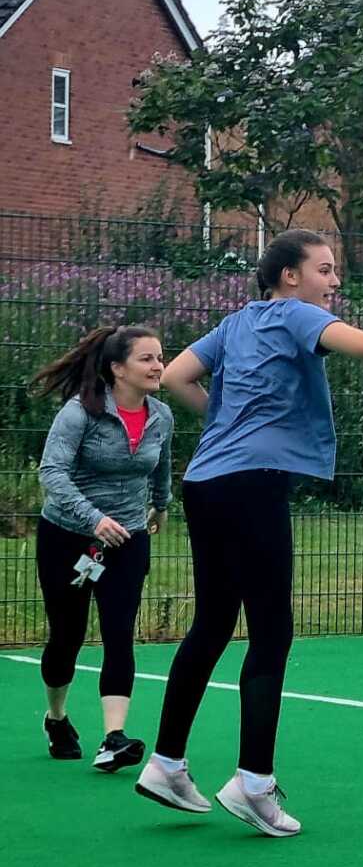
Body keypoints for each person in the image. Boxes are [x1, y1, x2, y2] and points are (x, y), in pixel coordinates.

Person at [135, 228, 363, 837]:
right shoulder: (295, 316)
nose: (335, 281)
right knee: (272, 632)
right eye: (326, 270)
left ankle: (167, 763)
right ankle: (254, 782)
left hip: (207, 485)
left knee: (211, 624)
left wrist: (230, 419)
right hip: (252, 485)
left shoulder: (237, 322)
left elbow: (175, 377)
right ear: (290, 276)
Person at [30, 325, 175, 772]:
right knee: (67, 636)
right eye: (146, 359)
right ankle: (56, 718)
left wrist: (162, 504)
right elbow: (52, 473)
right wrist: (94, 519)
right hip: (68, 538)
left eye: (160, 358)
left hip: (128, 540)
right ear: (117, 369)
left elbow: (161, 464)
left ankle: (114, 738)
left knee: (118, 632)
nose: (157, 367)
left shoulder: (161, 415)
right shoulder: (79, 414)